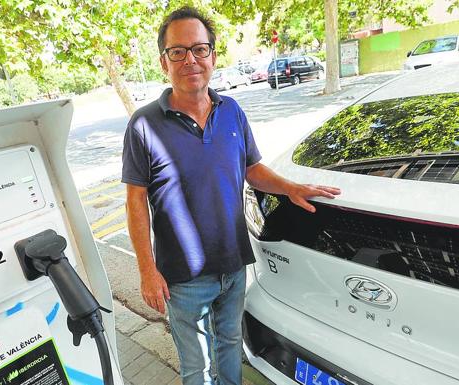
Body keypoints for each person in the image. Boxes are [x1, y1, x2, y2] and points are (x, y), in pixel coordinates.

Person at [121, 6, 341, 385]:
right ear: (164, 62)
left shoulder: (232, 110)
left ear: (213, 56)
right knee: (197, 369)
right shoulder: (144, 125)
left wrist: (290, 187)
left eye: (199, 49)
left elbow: (252, 169)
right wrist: (147, 270)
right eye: (178, 51)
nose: (190, 59)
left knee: (230, 348)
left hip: (234, 264)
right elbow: (135, 200)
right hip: (183, 278)